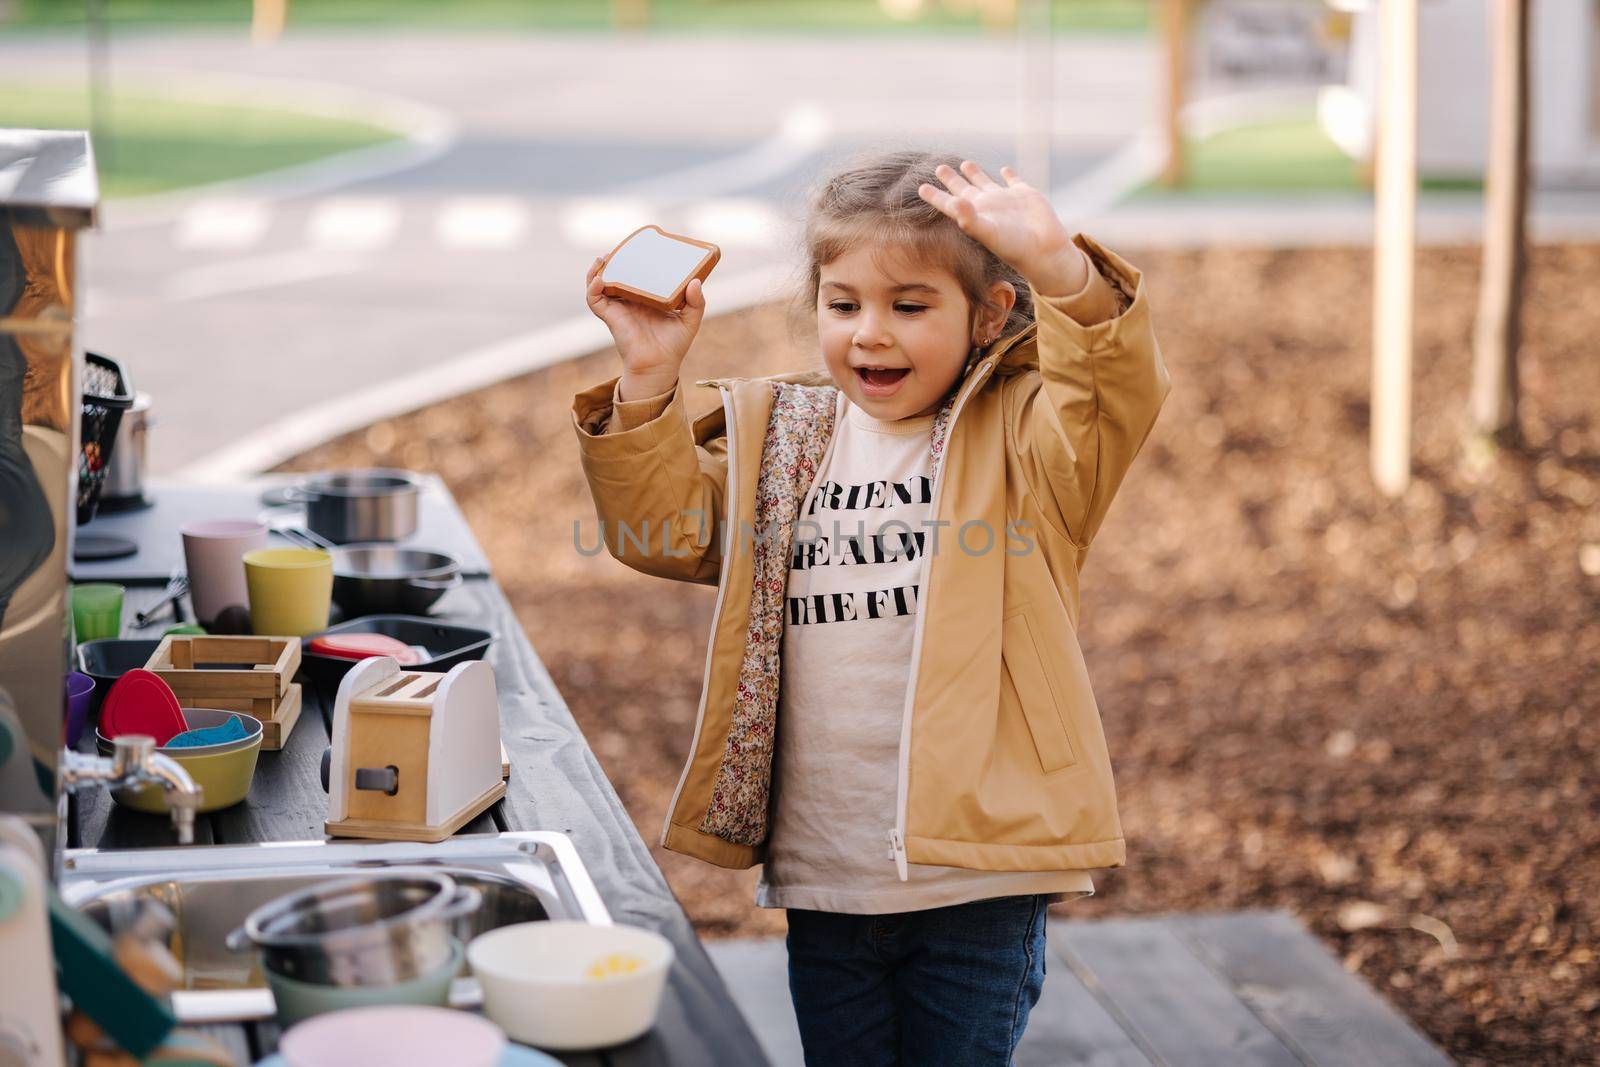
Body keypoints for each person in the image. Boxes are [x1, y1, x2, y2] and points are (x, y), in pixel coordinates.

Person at [572, 149, 1170, 1066]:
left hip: (976, 880)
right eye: (844, 304)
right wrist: (650, 376)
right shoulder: (788, 438)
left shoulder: (1027, 442)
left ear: (989, 314)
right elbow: (660, 530)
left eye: (910, 305)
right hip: (827, 880)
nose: (870, 334)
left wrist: (1063, 271)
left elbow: (1110, 391)